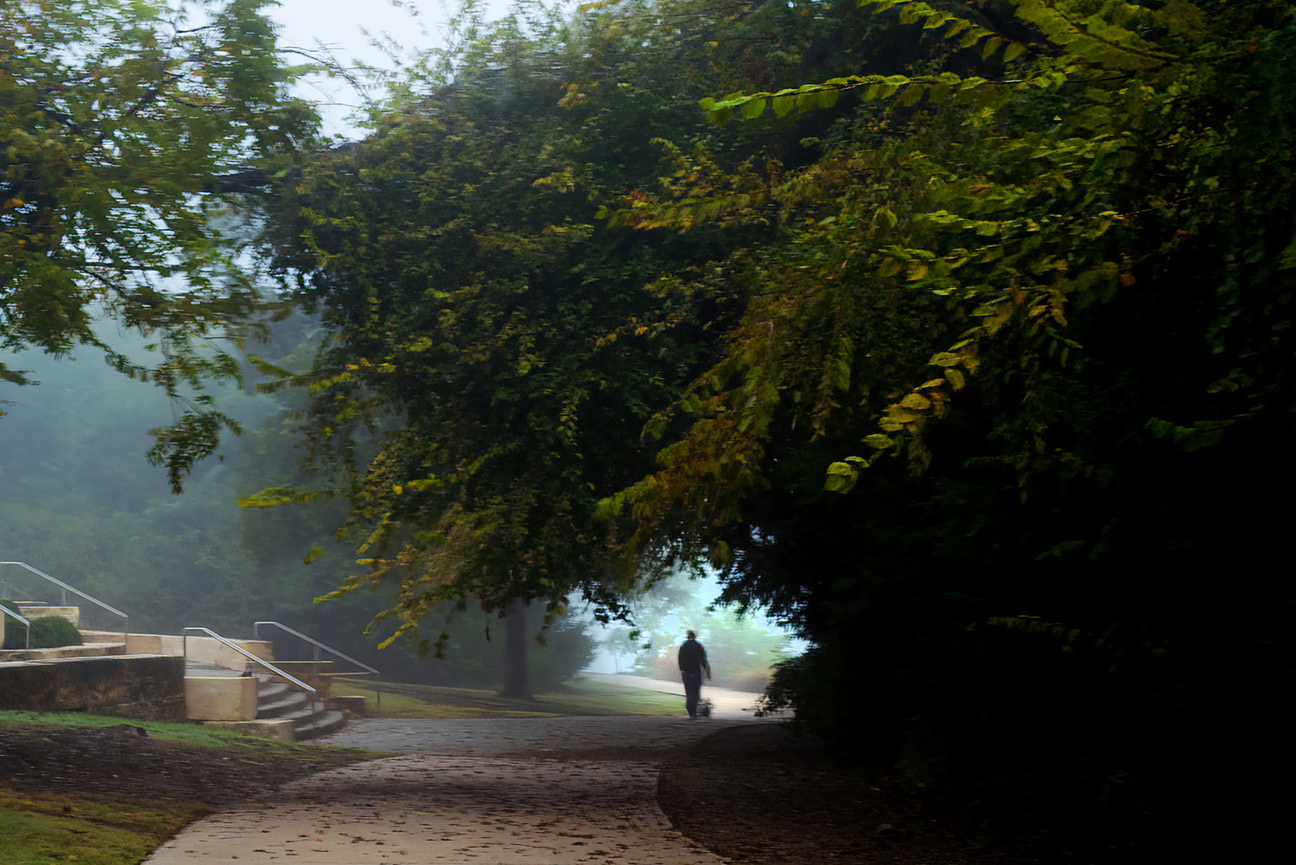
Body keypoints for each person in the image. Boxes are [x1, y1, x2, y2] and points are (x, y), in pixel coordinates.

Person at [677, 630, 711, 718]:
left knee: (689, 692)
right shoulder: (699, 647)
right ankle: (694, 711)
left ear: (687, 636)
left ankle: (690, 711)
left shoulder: (684, 646)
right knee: (696, 692)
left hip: (687, 673)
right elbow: (703, 660)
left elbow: (680, 660)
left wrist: (683, 670)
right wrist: (707, 671)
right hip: (696, 672)